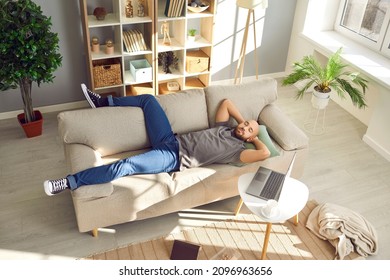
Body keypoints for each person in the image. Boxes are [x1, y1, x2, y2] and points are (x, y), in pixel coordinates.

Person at [43, 84, 270, 196]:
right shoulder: (225, 128)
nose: (244, 126)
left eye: (248, 129)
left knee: (126, 165)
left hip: (172, 157)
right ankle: (104, 103)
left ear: (251, 137)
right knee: (149, 100)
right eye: (245, 123)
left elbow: (264, 154)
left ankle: (68, 182)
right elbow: (227, 103)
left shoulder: (236, 150)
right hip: (169, 139)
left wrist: (256, 134)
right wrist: (243, 121)